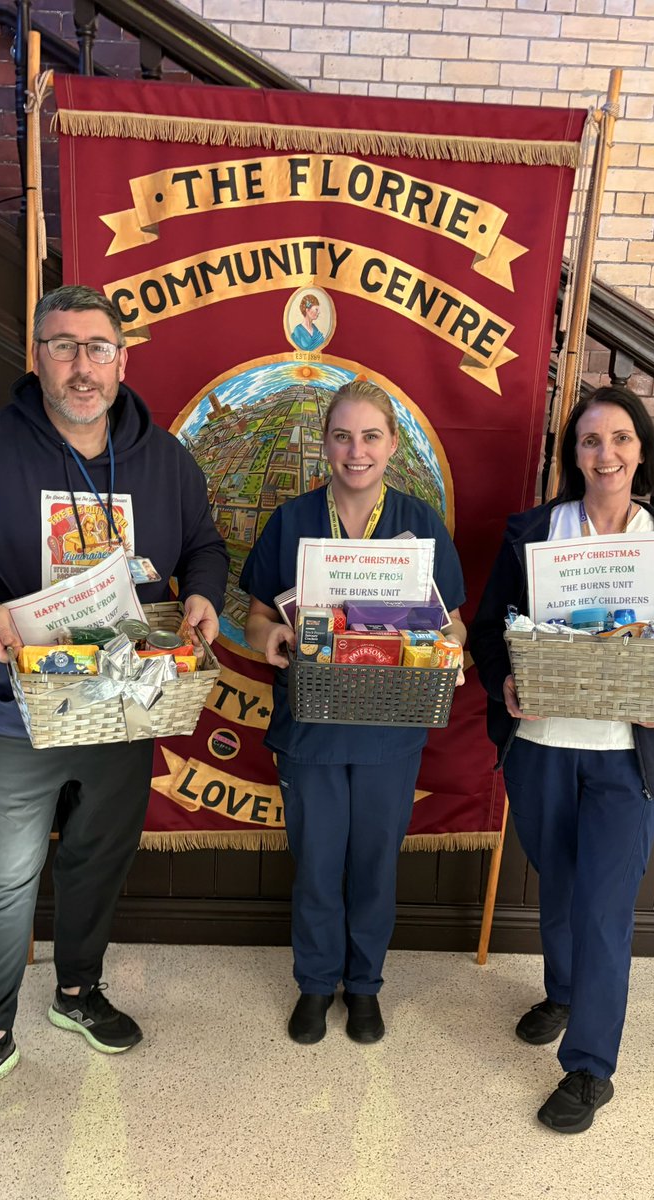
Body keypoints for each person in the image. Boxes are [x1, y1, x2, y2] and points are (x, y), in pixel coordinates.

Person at [0, 284, 228, 1124]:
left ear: (123, 358)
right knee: (4, 880)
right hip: (13, 713)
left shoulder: (166, 460)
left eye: (98, 347)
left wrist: (204, 594)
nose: (83, 366)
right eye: (63, 346)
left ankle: (78, 992)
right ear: (36, 355)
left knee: (97, 859)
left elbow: (204, 544)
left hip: (125, 705)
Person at [469, 385, 654, 1135]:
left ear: (642, 451)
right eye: (590, 440)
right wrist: (504, 683)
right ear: (573, 454)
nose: (606, 454)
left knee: (603, 909)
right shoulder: (534, 534)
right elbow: (488, 632)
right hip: (542, 747)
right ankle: (564, 991)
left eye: (620, 439)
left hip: (623, 757)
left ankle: (590, 1067)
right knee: (561, 884)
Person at [240, 380, 466, 1046]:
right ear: (325, 445)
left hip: (390, 731)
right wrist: (272, 638)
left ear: (392, 444)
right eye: (342, 436)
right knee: (316, 865)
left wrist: (446, 649)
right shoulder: (292, 520)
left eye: (370, 436)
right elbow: (255, 618)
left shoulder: (420, 524)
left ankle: (364, 986)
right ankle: (315, 984)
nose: (356, 450)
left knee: (374, 866)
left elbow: (454, 625)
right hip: (309, 728)